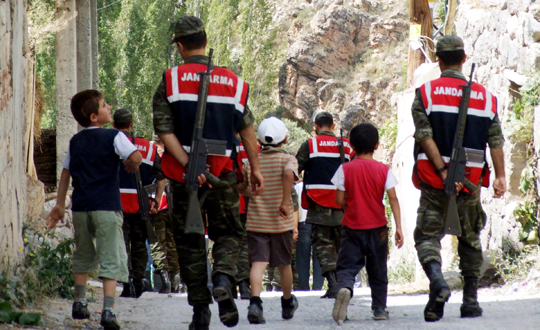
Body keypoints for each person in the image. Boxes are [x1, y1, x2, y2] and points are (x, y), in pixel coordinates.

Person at [152, 16, 264, 330]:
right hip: (224, 174)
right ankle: (223, 278)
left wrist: (189, 165)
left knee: (189, 241)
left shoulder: (171, 79)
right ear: (205, 39)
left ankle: (201, 309)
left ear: (179, 45)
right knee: (229, 233)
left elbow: (164, 130)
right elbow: (247, 130)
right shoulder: (233, 81)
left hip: (182, 177)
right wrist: (254, 169)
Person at [411, 35, 506, 322]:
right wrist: (501, 176)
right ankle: (471, 301)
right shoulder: (487, 98)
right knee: (470, 237)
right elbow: (496, 140)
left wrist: (441, 170)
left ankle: (438, 282)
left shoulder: (425, 94)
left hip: (433, 179)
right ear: (464, 59)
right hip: (471, 180)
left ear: (438, 61)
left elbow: (424, 136)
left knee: (427, 237)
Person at [46, 90, 142, 329]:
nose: (109, 107)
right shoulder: (114, 136)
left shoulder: (75, 141)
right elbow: (136, 156)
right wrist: (130, 165)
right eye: (104, 105)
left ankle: (79, 302)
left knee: (83, 254)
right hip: (107, 207)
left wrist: (59, 204)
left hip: (81, 208)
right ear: (93, 117)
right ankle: (108, 310)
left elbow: (66, 173)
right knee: (111, 255)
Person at [330, 123, 404, 325]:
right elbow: (393, 199)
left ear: (351, 146)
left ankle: (345, 287)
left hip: (352, 227)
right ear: (377, 145)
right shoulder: (384, 170)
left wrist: (352, 199)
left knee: (346, 266)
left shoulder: (345, 168)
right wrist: (398, 227)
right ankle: (379, 308)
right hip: (378, 228)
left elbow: (338, 201)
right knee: (378, 269)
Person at [238, 117, 299, 324]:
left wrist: (244, 190)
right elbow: (289, 173)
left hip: (256, 222)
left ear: (260, 142)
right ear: (285, 139)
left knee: (258, 264)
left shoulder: (250, 163)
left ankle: (255, 303)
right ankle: (287, 302)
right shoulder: (288, 159)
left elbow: (246, 188)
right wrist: (284, 201)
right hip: (281, 223)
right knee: (284, 264)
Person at [295, 111, 354, 298]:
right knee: (340, 245)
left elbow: (297, 168)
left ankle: (333, 283)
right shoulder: (346, 145)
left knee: (322, 245)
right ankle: (341, 284)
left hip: (317, 204)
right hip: (342, 205)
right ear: (333, 125)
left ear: (315, 126)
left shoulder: (310, 144)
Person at [112, 108, 164, 298]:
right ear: (132, 124)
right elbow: (161, 177)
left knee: (122, 245)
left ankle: (126, 284)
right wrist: (156, 201)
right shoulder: (148, 147)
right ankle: (138, 280)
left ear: (113, 125)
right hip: (141, 204)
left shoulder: (110, 144)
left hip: (116, 204)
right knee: (140, 245)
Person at [150, 138, 182, 294]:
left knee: (157, 243)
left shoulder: (153, 157)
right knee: (172, 243)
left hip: (158, 206)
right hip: (173, 207)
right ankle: (176, 277)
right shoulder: (175, 156)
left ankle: (165, 279)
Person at [294, 181, 324, 291]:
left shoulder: (298, 187)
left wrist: (294, 227)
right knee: (319, 257)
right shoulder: (320, 185)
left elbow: (295, 208)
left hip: (303, 223)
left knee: (302, 258)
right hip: (318, 222)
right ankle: (318, 287)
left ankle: (303, 287)